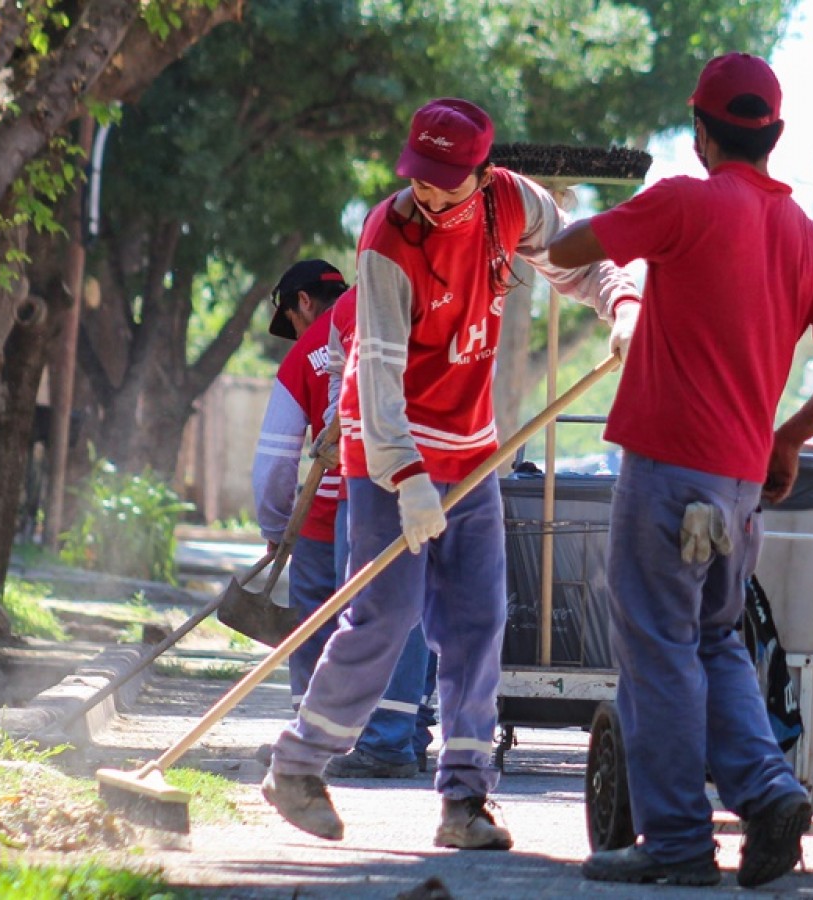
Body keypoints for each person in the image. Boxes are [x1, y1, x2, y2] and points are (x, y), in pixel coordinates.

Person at [263, 97, 642, 850]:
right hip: (390, 454)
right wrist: (405, 481)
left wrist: (622, 302)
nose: (429, 194)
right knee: (385, 617)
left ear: (481, 170)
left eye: (447, 181)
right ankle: (296, 766)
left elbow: (580, 256)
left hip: (472, 451)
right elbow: (376, 373)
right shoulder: (388, 238)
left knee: (478, 625)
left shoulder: (511, 204)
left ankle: (464, 801)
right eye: (420, 178)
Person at [547, 53, 813, 888]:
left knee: (660, 654)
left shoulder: (684, 202)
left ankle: (677, 846)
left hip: (666, 476)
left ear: (702, 134)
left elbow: (565, 249)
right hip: (738, 489)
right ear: (773, 135)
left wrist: (620, 240)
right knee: (714, 643)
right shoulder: (809, 238)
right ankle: (768, 793)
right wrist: (791, 436)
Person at [252, 264, 432, 778]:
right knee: (404, 610)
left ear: (304, 302)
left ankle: (320, 739)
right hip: (419, 485)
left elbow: (273, 464)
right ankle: (403, 731)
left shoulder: (308, 353)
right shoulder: (403, 315)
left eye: (291, 316)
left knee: (321, 626)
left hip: (338, 508)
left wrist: (274, 525)